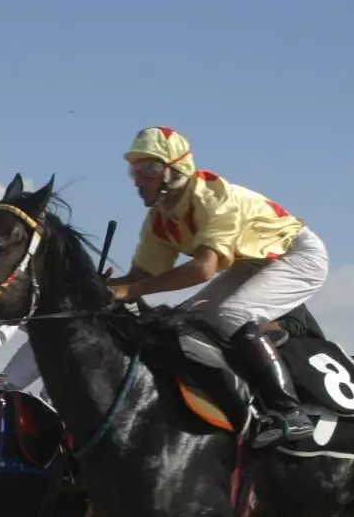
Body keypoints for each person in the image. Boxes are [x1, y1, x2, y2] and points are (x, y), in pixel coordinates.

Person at [106, 127, 328, 448]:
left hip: (298, 255)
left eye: (150, 169)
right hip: (254, 261)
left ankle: (290, 413)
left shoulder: (214, 198)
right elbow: (138, 276)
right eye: (134, 170)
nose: (139, 179)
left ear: (174, 170)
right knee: (185, 321)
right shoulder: (160, 217)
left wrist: (132, 291)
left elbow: (203, 269)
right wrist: (97, 285)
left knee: (233, 314)